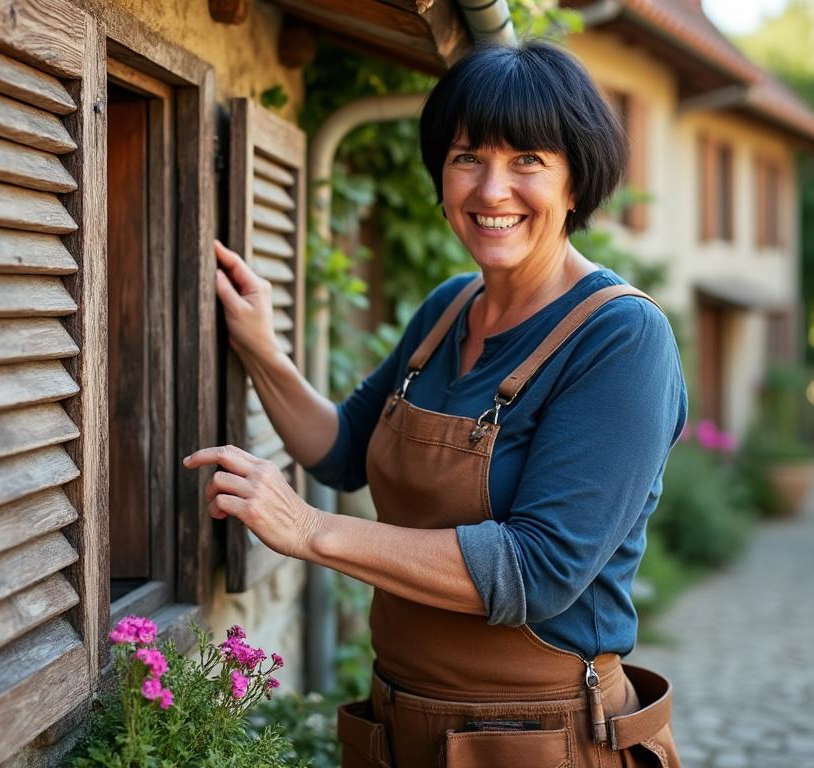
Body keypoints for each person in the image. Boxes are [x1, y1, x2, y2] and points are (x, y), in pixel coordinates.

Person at [184, 41, 688, 768]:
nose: (491, 189)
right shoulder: (449, 310)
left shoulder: (622, 338)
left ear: (576, 182)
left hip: (542, 739)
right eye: (466, 158)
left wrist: (309, 531)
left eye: (528, 162)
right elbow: (342, 449)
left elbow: (537, 570)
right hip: (399, 725)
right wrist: (260, 346)